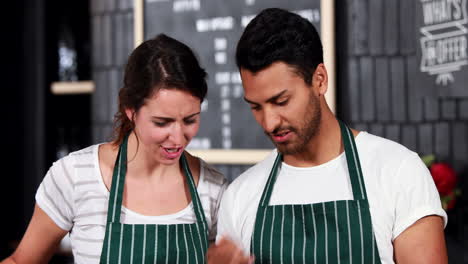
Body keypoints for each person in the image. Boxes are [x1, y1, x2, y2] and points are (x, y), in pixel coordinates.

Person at [207, 8, 448, 264]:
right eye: (256, 106)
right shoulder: (241, 196)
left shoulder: (398, 171)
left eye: (281, 101)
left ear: (319, 80)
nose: (269, 122)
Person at [2, 34, 227, 264]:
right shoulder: (75, 177)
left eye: (190, 120)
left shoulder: (213, 189)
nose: (179, 137)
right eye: (162, 122)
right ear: (131, 110)